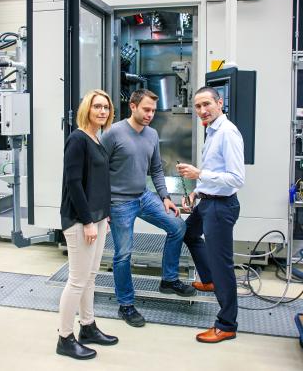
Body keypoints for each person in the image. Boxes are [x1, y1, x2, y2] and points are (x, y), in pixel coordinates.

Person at [101, 89, 195, 328]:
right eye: (146, 109)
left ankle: (169, 279)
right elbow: (98, 171)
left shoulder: (152, 134)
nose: (150, 114)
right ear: (132, 107)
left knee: (177, 226)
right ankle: (126, 305)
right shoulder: (113, 133)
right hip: (119, 202)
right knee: (123, 254)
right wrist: (103, 206)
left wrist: (164, 196)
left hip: (144, 196)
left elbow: (156, 169)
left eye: (153, 110)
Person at [177, 86, 245, 344]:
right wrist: (196, 192)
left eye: (207, 104)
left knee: (222, 265)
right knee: (189, 234)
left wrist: (199, 174)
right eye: (197, 107)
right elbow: (215, 170)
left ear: (219, 103)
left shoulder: (227, 133)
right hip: (207, 201)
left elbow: (236, 178)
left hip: (221, 207)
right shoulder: (212, 130)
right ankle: (209, 280)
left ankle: (226, 324)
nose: (202, 111)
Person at [57, 89, 118, 360]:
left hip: (97, 218)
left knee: (91, 276)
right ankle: (64, 337)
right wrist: (87, 220)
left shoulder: (97, 138)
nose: (102, 111)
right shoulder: (78, 139)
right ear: (87, 110)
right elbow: (73, 183)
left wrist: (102, 214)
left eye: (106, 107)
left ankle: (88, 327)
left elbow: (97, 182)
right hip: (80, 220)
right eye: (97, 107)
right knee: (78, 280)